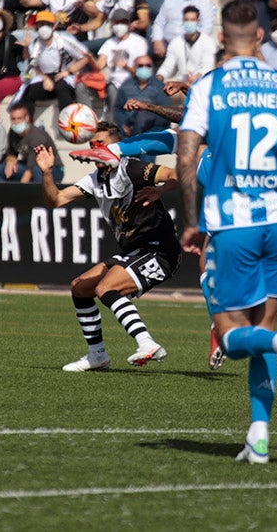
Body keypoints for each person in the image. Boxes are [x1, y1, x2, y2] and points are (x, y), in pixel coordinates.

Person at [176, 0, 277, 464]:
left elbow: (186, 160)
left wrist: (190, 221)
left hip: (235, 220)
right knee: (264, 323)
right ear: (260, 36)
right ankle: (258, 436)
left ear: (223, 37)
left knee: (230, 335)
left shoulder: (210, 86)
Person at [34, 121, 181, 370]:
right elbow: (56, 200)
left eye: (100, 144)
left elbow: (175, 175)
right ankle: (97, 355)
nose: (95, 149)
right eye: (92, 145)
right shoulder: (95, 179)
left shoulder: (133, 169)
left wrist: (160, 191)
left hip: (159, 250)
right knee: (80, 288)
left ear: (118, 146)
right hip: (135, 252)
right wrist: (47, 172)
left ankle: (146, 342)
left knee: (106, 287)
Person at [0, 102, 62, 182]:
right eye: (13, 119)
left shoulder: (36, 136)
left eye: (19, 118)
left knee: (36, 170)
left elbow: (31, 168)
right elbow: (11, 152)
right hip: (27, 165)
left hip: (52, 168)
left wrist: (21, 190)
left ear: (27, 118)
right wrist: (9, 162)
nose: (16, 122)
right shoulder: (13, 132)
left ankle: (40, 193)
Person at [156, 5, 217, 85]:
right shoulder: (176, 42)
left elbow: (207, 66)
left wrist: (197, 76)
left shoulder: (208, 42)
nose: (189, 23)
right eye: (186, 20)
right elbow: (167, 66)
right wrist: (159, 77)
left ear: (198, 21)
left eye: (192, 20)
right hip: (181, 84)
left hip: (202, 83)